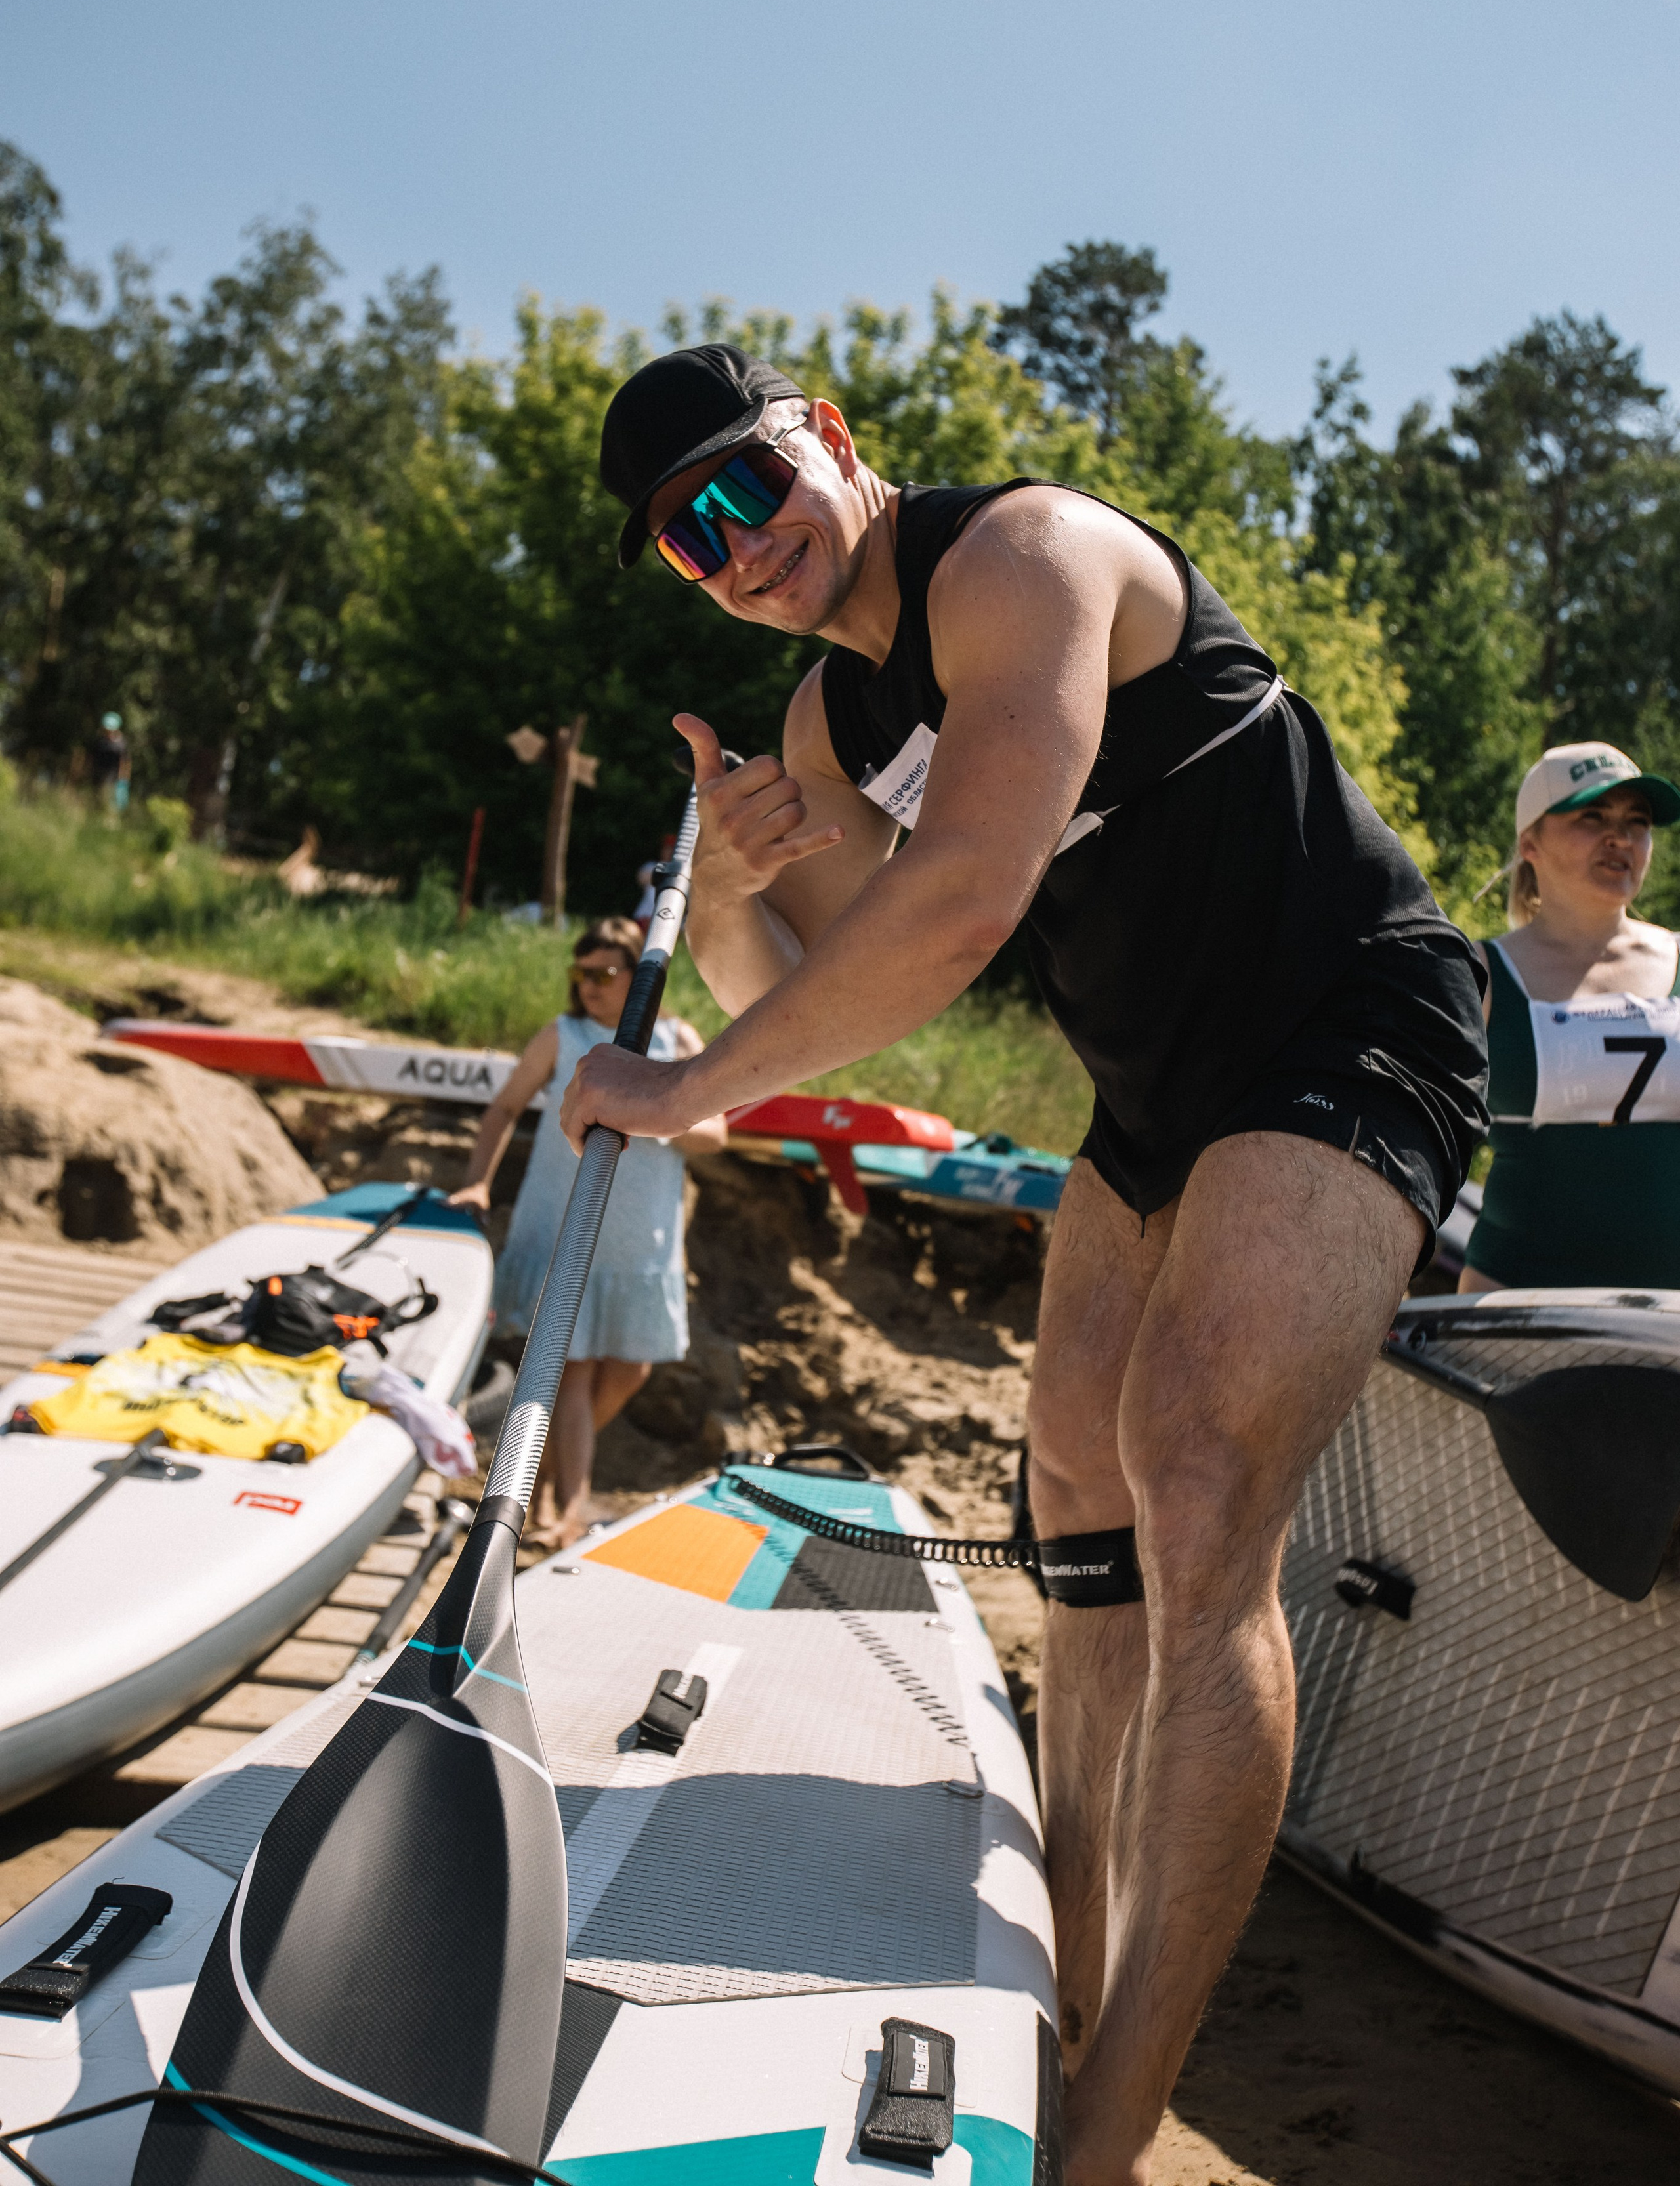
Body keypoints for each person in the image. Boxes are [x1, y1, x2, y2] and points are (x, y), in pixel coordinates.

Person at [557, 344, 1489, 2185]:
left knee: (1198, 1483)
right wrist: (740, 898)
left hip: (1352, 1024)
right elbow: (829, 999)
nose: (739, 551)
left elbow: (965, 902)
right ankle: (1053, 1964)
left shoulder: (1028, 561)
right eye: (688, 546)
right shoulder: (830, 721)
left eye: (751, 490)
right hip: (1157, 1097)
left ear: (831, 432)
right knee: (1073, 1514)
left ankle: (1109, 2126)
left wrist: (676, 1091)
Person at [449, 916, 728, 1549]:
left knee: (631, 1371)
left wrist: (652, 1103)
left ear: (640, 977)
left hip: (640, 1239)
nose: (591, 986)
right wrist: (477, 1182)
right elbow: (504, 1107)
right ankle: (565, 1513)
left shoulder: (677, 1037)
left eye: (605, 973)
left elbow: (717, 1135)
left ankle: (540, 1475)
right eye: (583, 974)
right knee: (569, 1372)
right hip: (563, 1222)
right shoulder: (564, 1034)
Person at [1462, 741, 1680, 1293]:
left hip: (1667, 1320)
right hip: (1513, 1308)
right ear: (1530, 842)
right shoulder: (1477, 973)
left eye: (1638, 821)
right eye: (1592, 816)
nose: (1622, 837)